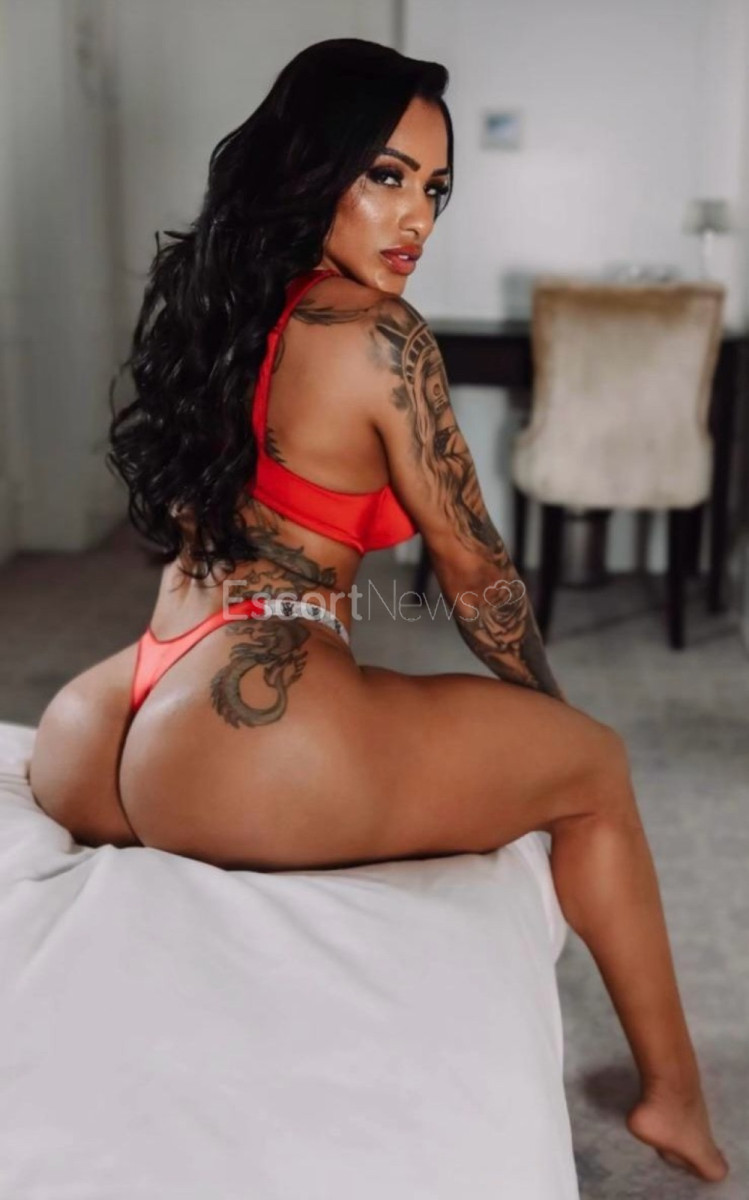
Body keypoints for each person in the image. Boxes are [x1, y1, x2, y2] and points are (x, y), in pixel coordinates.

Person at [28, 37, 728, 1184]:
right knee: (593, 766)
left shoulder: (212, 302)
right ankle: (673, 1098)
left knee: (529, 746)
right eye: (386, 175)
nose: (415, 217)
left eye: (434, 189)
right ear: (314, 167)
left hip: (102, 719)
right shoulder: (378, 336)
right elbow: (473, 572)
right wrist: (547, 722)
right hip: (243, 736)